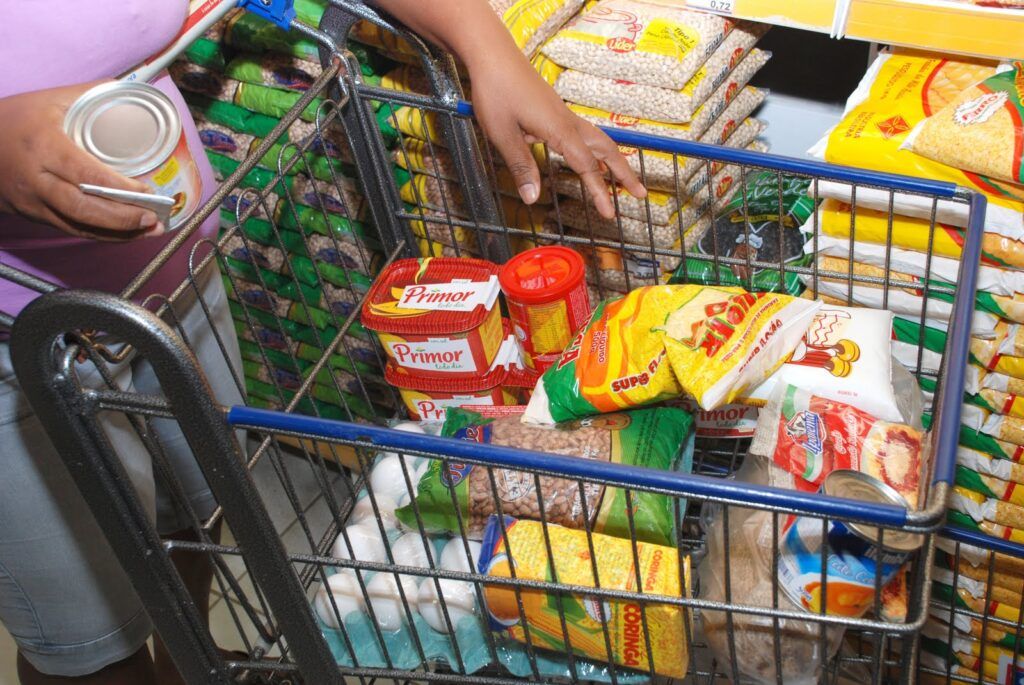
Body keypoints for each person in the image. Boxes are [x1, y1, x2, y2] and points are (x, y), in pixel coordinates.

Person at [0, 1, 644, 684]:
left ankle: (186, 665)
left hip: (175, 285)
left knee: (195, 512)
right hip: (24, 345)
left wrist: (486, 47)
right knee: (91, 642)